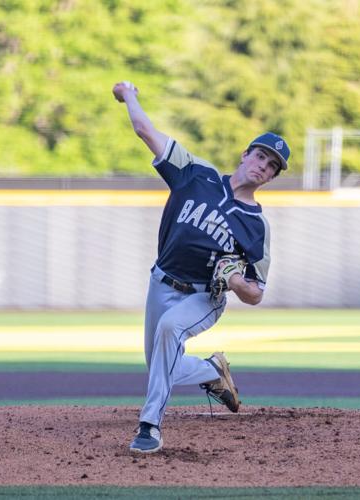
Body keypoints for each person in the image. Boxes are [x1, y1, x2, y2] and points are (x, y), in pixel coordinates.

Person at [112, 80, 290, 454]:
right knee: (162, 366)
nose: (263, 166)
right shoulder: (198, 174)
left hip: (203, 297)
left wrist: (236, 280)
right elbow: (145, 131)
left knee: (169, 330)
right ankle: (213, 371)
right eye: (260, 156)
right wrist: (129, 94)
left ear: (272, 178)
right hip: (160, 282)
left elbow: (256, 293)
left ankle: (150, 427)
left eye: (272, 166)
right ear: (245, 154)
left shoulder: (256, 225)